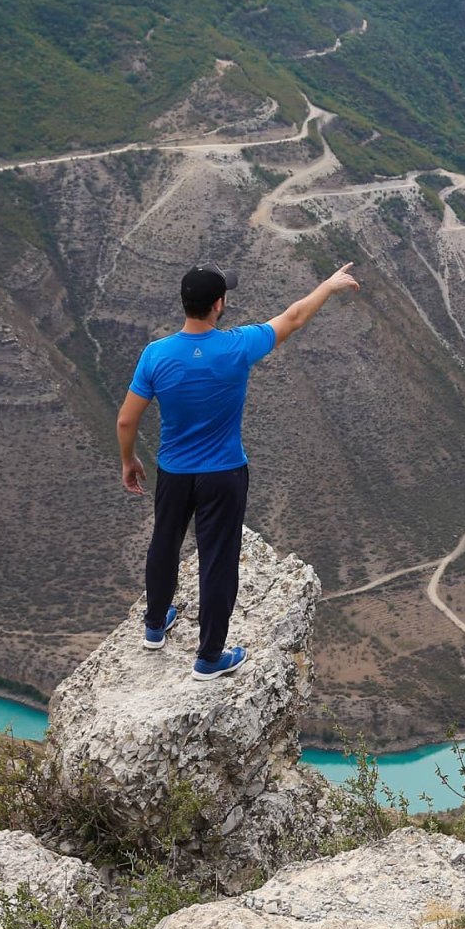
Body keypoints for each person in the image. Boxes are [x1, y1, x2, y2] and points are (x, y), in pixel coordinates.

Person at [117, 260, 360, 679]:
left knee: (165, 540)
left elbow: (126, 420)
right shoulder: (237, 346)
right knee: (217, 560)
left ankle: (155, 626)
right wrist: (328, 285)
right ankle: (209, 657)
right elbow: (296, 316)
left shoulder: (155, 355)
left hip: (174, 472)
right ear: (218, 304)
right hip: (224, 474)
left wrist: (129, 459)